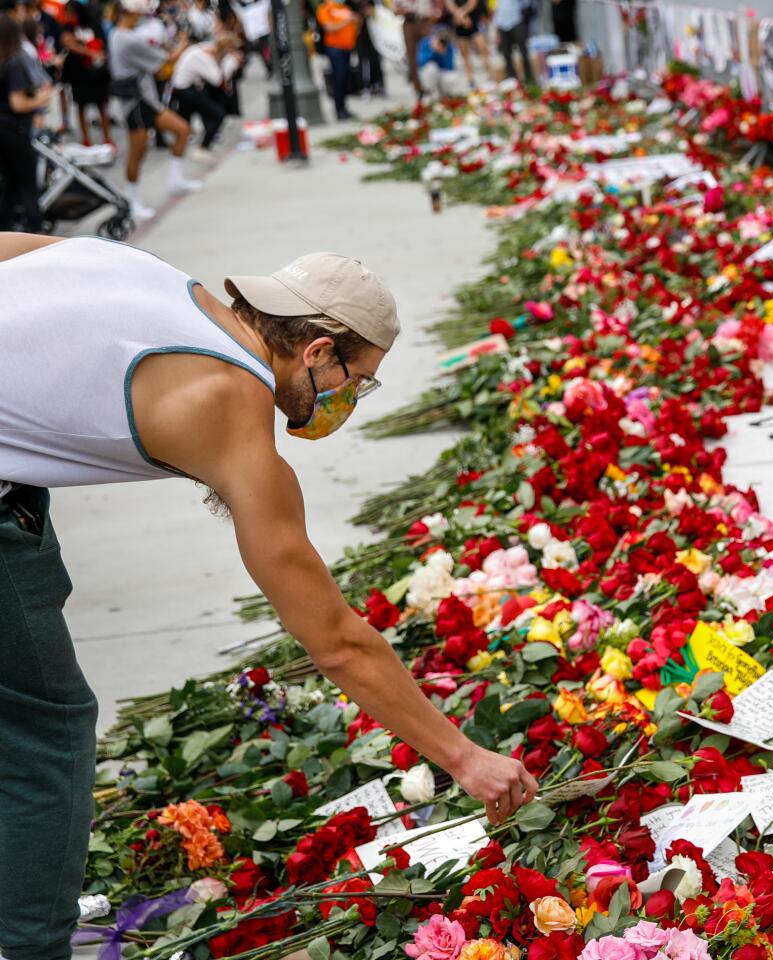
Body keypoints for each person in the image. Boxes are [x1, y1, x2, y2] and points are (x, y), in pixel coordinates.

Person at [0, 232, 541, 960]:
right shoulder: (230, 403)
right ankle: (25, 943)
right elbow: (336, 641)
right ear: (318, 350)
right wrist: (464, 758)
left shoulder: (147, 276)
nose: (348, 397)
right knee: (49, 728)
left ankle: (24, 885)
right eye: (357, 377)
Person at [109, 0, 201, 219]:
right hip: (136, 103)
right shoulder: (127, 39)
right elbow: (162, 63)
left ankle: (175, 180)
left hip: (145, 101)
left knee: (182, 130)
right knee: (137, 152)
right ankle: (131, 201)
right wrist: (183, 46)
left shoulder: (118, 34)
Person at [0, 18, 51, 231]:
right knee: (29, 184)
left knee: (9, 184)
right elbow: (18, 103)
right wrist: (43, 98)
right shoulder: (15, 62)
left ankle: (5, 229)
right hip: (15, 129)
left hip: (3, 130)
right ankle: (35, 229)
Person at [169, 29, 237, 159]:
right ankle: (202, 148)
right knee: (217, 114)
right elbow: (217, 80)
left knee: (186, 123)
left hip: (183, 89)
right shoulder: (203, 57)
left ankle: (178, 154)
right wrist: (230, 64)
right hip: (185, 90)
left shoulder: (204, 48)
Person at [58, 0, 111, 146]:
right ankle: (86, 139)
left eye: (71, 12)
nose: (69, 15)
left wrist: (93, 51)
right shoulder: (67, 28)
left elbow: (102, 45)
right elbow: (67, 42)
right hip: (78, 75)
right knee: (81, 106)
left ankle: (107, 138)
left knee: (102, 106)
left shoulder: (93, 24)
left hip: (96, 74)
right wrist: (88, 51)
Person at [315, 0, 356, 120]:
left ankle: (344, 108)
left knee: (345, 79)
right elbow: (329, 28)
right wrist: (347, 21)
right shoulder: (325, 8)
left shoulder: (344, 7)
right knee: (338, 79)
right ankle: (339, 110)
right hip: (334, 48)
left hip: (347, 48)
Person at [392, 0, 434, 98]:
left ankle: (430, 83)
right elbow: (394, 11)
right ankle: (418, 88)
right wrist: (403, 11)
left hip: (424, 22)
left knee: (429, 51)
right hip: (409, 23)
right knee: (412, 56)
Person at [439, 0, 484, 89]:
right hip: (460, 23)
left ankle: (490, 77)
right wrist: (461, 16)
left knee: (483, 49)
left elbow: (473, 3)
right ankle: (471, 80)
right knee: (465, 54)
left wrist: (461, 14)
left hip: (473, 20)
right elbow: (449, 4)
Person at [416, 21, 460, 98]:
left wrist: (442, 53)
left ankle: (446, 95)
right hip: (428, 74)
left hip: (442, 73)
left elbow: (450, 67)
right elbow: (421, 62)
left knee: (451, 77)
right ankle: (429, 93)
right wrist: (433, 51)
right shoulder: (425, 43)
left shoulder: (448, 46)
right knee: (431, 67)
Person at [492, 0, 530, 85]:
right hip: (501, 23)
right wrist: (496, 30)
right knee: (506, 54)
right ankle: (513, 81)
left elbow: (526, 4)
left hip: (516, 21)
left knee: (524, 52)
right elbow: (496, 9)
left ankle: (529, 79)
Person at [353, 0, 383, 98]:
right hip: (360, 37)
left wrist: (370, 11)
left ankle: (378, 84)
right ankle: (364, 87)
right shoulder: (351, 4)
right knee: (362, 62)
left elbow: (375, 12)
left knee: (375, 61)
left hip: (373, 35)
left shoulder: (369, 1)